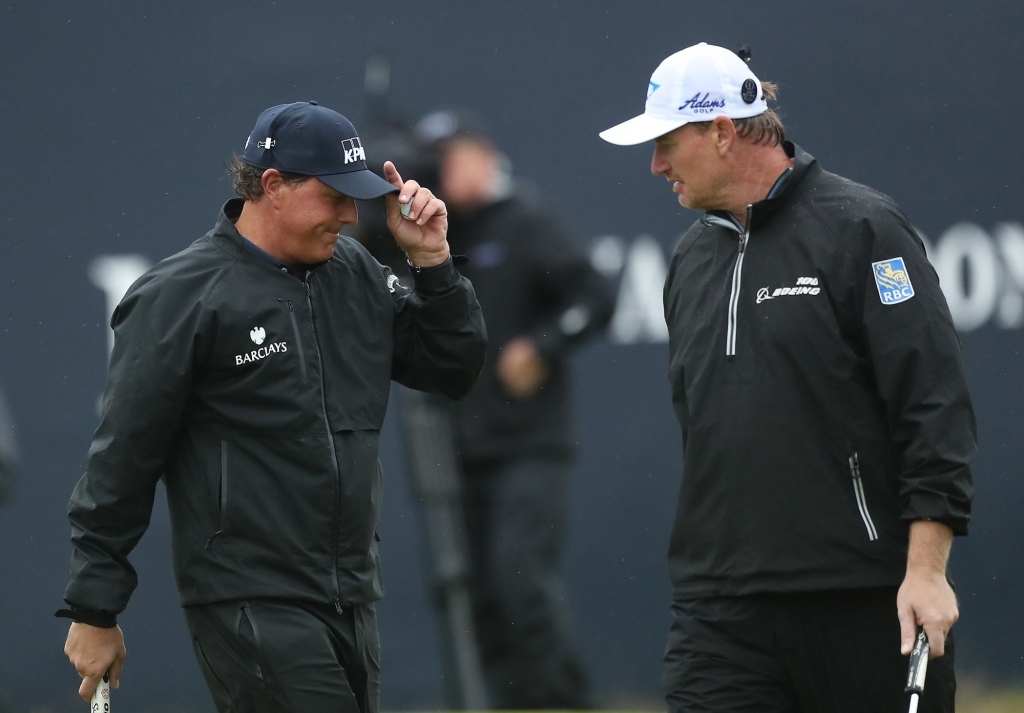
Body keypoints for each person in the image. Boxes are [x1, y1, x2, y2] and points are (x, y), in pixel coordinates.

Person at [58, 101, 486, 713]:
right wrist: (95, 609)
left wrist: (433, 264)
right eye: (333, 196)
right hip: (248, 597)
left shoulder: (357, 272)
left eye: (355, 197)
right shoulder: (180, 296)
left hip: (351, 594)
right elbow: (122, 458)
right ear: (273, 186)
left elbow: (453, 369)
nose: (349, 214)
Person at [599, 43, 975, 712]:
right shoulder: (691, 259)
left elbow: (933, 405)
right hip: (719, 607)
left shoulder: (864, 228)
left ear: (721, 131)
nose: (655, 165)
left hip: (861, 594)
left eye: (665, 143)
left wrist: (926, 572)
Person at [407, 109, 615, 709]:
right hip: (459, 446)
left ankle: (561, 703)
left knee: (518, 578)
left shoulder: (525, 220)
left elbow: (594, 295)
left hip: (528, 443)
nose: (443, 174)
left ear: (479, 157)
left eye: (450, 160)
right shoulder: (438, 236)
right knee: (474, 594)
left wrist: (543, 347)